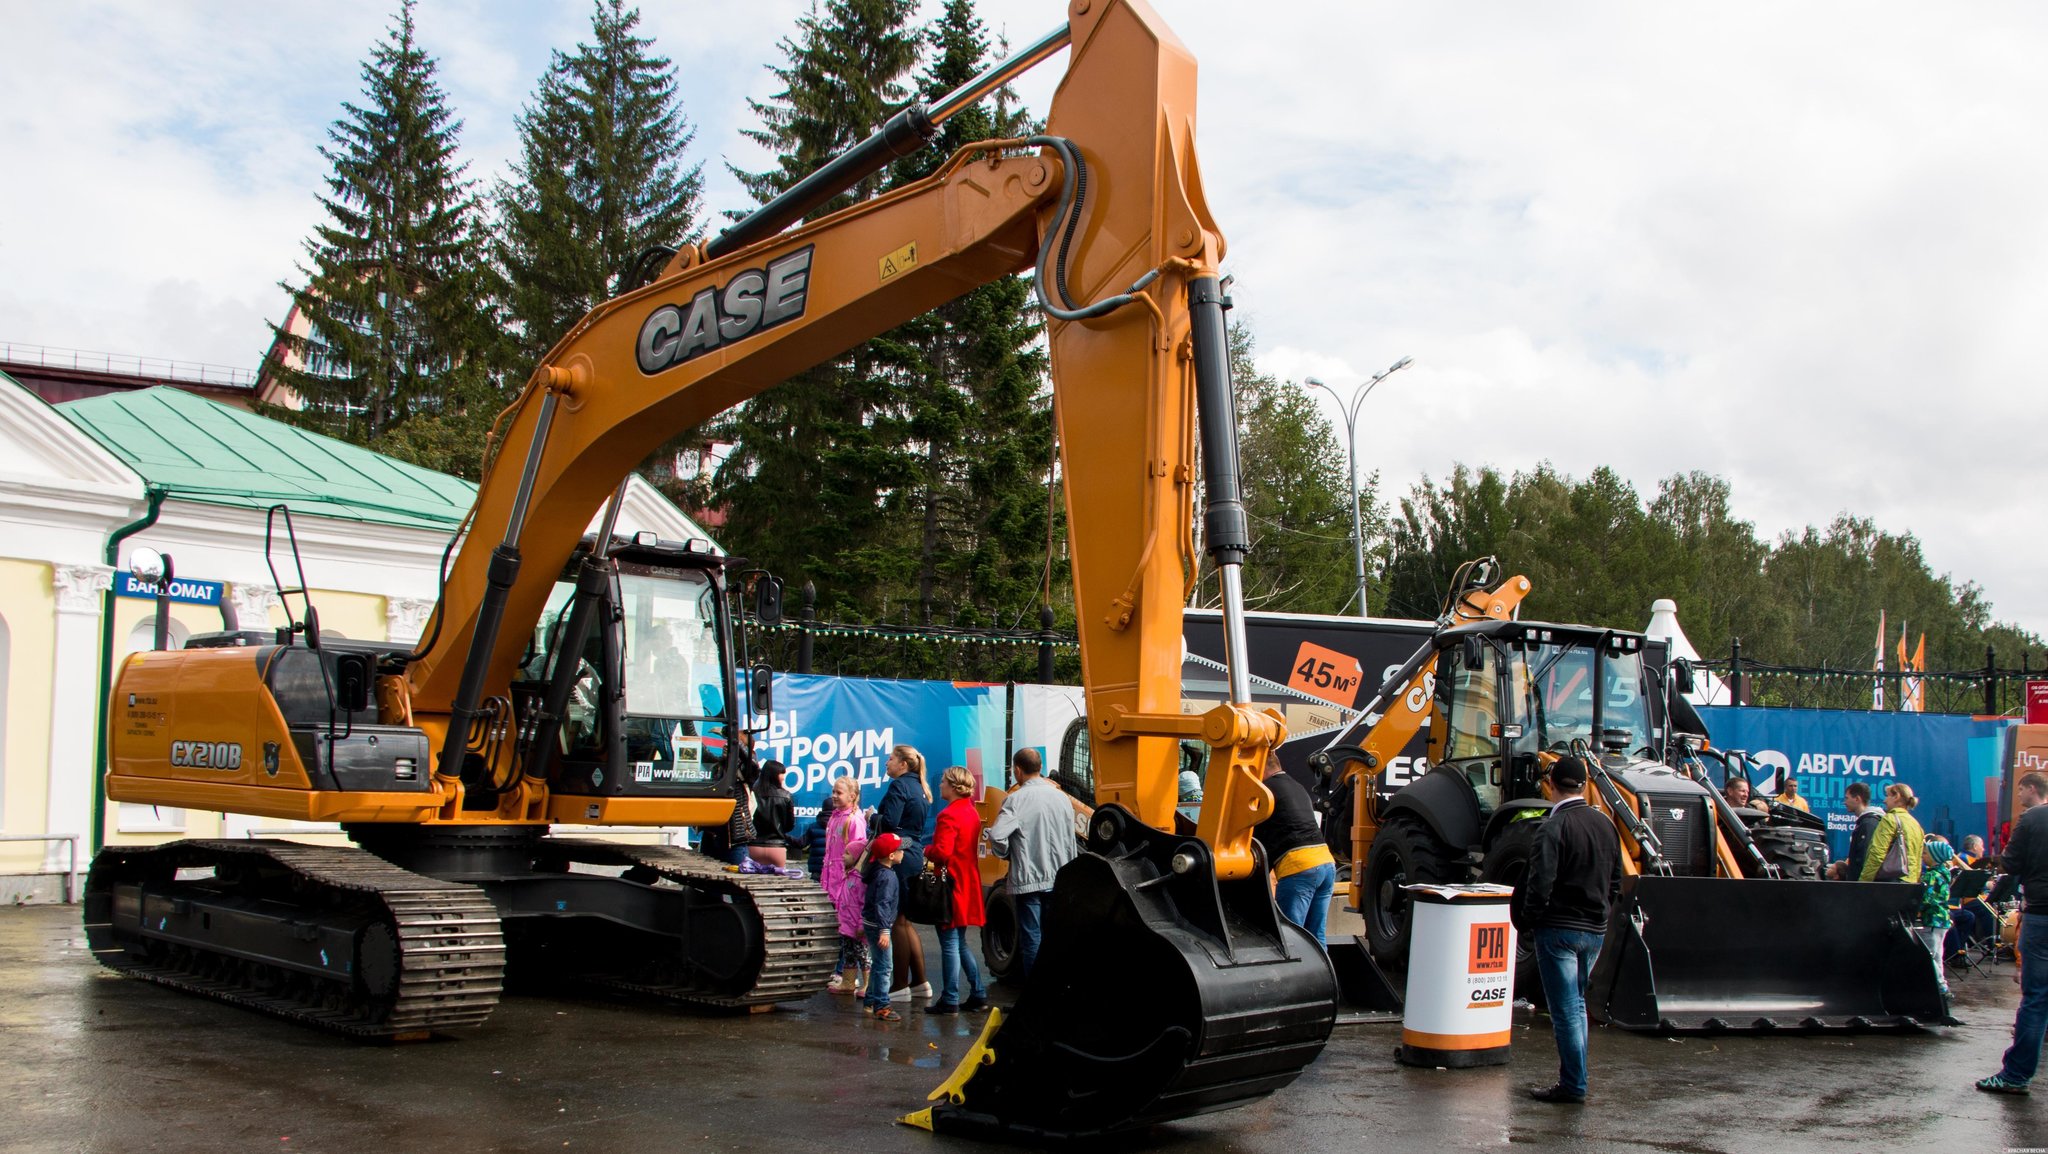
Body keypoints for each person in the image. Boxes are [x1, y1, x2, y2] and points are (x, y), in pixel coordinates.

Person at [1520, 755, 1620, 1105]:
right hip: (1595, 929)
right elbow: (1616, 880)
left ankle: (1574, 1084)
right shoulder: (1605, 824)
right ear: (1584, 784)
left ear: (1550, 784)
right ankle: (1576, 1078)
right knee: (1576, 1006)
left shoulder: (1553, 826)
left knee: (1565, 1009)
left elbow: (1540, 880)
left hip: (1559, 929)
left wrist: (1530, 920)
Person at [1978, 773, 2048, 1094]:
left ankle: (2016, 1075)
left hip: (2042, 914)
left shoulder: (2032, 820)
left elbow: (2010, 862)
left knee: (2035, 998)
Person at [986, 748, 1080, 981]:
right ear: (1039, 767)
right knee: (1053, 937)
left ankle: (1034, 998)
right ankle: (1053, 991)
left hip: (1029, 879)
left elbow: (997, 836)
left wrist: (1007, 854)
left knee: (1032, 939)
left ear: (1017, 770)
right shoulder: (1062, 798)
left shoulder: (1016, 800)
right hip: (1059, 877)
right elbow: (1070, 838)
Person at [927, 765, 990, 1014]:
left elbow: (942, 852)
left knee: (950, 941)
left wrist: (926, 851)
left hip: (951, 883)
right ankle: (977, 992)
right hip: (967, 879)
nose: (940, 784)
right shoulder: (971, 812)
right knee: (959, 941)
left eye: (943, 781)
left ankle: (950, 997)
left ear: (953, 786)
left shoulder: (948, 815)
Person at [873, 744, 933, 1001]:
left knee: (897, 920)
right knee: (905, 921)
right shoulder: (920, 787)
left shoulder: (899, 786)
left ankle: (899, 986)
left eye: (890, 759)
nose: (886, 763)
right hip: (913, 852)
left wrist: (870, 818)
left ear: (903, 764)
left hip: (899, 854)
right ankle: (919, 982)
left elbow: (889, 822)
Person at [1256, 753, 1336, 946]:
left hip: (1299, 868)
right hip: (1326, 863)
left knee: (1291, 937)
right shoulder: (1296, 786)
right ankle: (1324, 975)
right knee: (1317, 936)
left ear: (1260, 767)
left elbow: (1258, 839)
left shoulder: (1267, 791)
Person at [822, 776, 868, 995]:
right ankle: (842, 975)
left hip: (846, 886)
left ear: (852, 796)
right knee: (840, 932)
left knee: (851, 934)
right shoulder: (834, 817)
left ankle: (851, 975)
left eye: (839, 792)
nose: (834, 795)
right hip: (832, 884)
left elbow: (856, 854)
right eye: (833, 791)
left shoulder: (853, 820)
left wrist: (850, 883)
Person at [860, 833, 906, 1022]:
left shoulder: (877, 871)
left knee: (879, 964)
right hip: (879, 926)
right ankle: (882, 1005)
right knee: (885, 966)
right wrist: (885, 930)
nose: (904, 852)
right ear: (891, 856)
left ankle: (870, 1001)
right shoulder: (887, 877)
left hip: (872, 923)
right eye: (900, 849)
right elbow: (883, 903)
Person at [1859, 783, 1926, 883]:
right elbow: (1918, 859)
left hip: (1890, 882)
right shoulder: (1916, 824)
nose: (1884, 800)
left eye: (1887, 796)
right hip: (1910, 882)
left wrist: (1864, 881)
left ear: (1896, 797)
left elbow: (1877, 853)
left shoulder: (1890, 819)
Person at [1916, 839, 1955, 997]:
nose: (1923, 856)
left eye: (1925, 853)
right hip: (1943, 919)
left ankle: (1940, 985)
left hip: (1933, 919)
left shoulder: (1931, 875)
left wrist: (1916, 907)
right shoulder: (1944, 874)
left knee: (1928, 953)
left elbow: (1927, 898)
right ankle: (1940, 983)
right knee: (1938, 953)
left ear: (1935, 857)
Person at [1827, 783, 1883, 880]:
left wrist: (1859, 882)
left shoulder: (1868, 824)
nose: (1844, 802)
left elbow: (1864, 857)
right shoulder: (1865, 822)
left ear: (1857, 799)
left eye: (1847, 798)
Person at [748, 760, 795, 868]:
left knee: (751, 881)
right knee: (777, 883)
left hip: (753, 845)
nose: (783, 776)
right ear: (775, 775)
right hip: (777, 846)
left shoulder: (752, 793)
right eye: (782, 773)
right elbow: (790, 825)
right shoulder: (786, 796)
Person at [793, 793, 836, 881]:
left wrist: (784, 836)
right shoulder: (840, 826)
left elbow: (801, 843)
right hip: (834, 870)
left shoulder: (813, 827)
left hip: (817, 870)